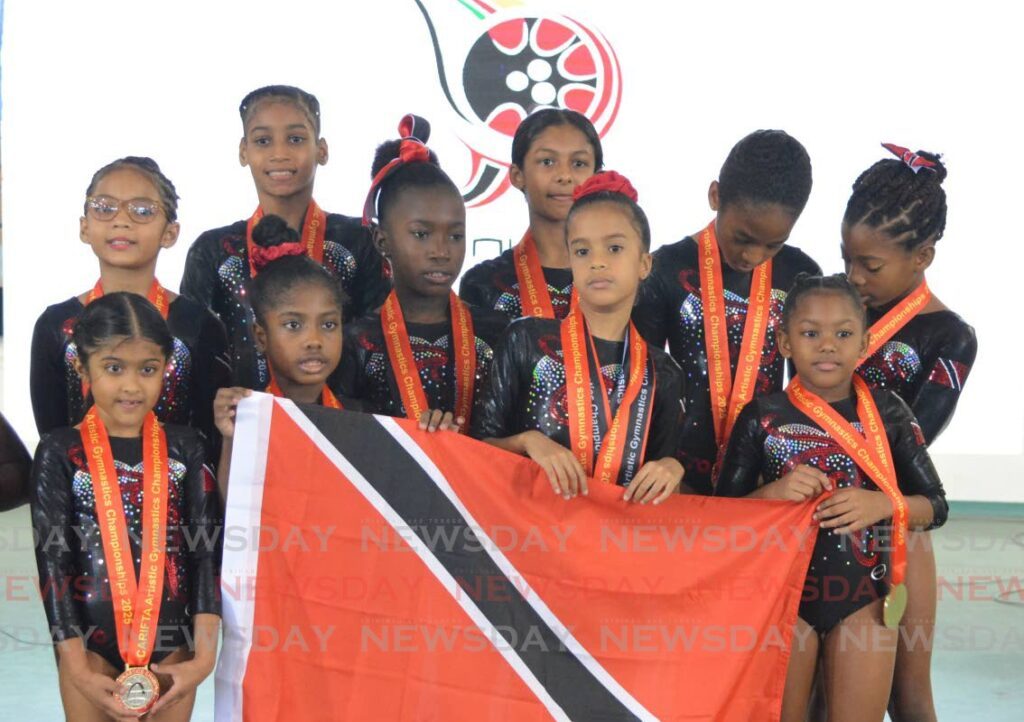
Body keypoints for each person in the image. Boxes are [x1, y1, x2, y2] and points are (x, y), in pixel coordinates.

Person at [716, 273, 948, 722]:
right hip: (781, 602)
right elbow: (723, 515)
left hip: (864, 600)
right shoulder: (762, 416)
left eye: (843, 334)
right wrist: (773, 493)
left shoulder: (888, 411)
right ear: (784, 342)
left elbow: (936, 505)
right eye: (810, 333)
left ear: (863, 344)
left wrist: (885, 504)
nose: (827, 345)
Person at [31, 293, 221, 720]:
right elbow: (53, 563)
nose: (132, 386)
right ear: (82, 367)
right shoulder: (59, 451)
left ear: (166, 367)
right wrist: (75, 665)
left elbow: (206, 552)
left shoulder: (186, 446)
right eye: (114, 368)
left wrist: (205, 657)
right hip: (87, 648)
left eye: (148, 369)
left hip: (173, 646)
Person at [843, 144, 976, 722]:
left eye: (869, 267)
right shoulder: (825, 306)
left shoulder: (949, 336)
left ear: (921, 256)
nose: (852, 276)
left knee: (908, 693)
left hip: (890, 520)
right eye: (845, 257)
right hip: (808, 516)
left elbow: (913, 440)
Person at [473, 171, 685, 503]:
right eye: (582, 251)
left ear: (644, 263)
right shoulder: (525, 340)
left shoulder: (664, 373)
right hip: (523, 542)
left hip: (612, 548)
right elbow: (473, 452)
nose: (597, 262)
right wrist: (528, 441)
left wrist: (672, 467)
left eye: (614, 248)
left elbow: (661, 496)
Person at [634, 129, 820, 494]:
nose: (753, 256)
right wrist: (660, 460)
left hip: (770, 475)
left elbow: (808, 389)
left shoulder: (802, 276)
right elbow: (644, 384)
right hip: (674, 474)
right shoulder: (664, 269)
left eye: (773, 244)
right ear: (715, 196)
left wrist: (789, 466)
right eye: (743, 238)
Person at [180, 85, 388, 389]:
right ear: (243, 151)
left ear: (322, 149)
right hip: (241, 426)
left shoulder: (358, 240)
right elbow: (196, 356)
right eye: (263, 141)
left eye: (295, 139)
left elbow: (378, 344)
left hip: (340, 423)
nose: (279, 153)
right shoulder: (212, 251)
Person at [30, 157, 230, 455]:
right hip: (80, 494)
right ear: (84, 227)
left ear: (170, 233)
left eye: (142, 211)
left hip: (175, 493)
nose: (121, 220)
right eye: (104, 207)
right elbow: (53, 437)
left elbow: (208, 438)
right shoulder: (55, 325)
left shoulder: (198, 326)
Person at [337, 115, 508, 432]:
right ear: (381, 239)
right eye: (421, 235)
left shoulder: (499, 334)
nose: (441, 251)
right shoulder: (355, 342)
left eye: (455, 236)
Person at [213, 214, 355, 501]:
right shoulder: (243, 418)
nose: (314, 341)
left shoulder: (362, 418)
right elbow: (234, 514)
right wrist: (230, 438)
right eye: (293, 325)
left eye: (328, 324)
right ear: (261, 337)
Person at [459, 108, 602, 321]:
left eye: (578, 163)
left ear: (596, 178)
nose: (564, 176)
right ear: (518, 176)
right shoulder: (482, 282)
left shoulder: (620, 278)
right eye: (547, 162)